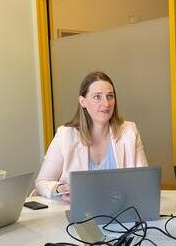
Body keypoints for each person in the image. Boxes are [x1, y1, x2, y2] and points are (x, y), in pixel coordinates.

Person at [35, 71, 148, 200]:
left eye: (110, 96)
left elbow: (144, 183)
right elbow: (42, 182)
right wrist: (60, 188)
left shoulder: (129, 131)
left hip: (122, 211)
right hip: (79, 215)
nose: (106, 104)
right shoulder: (65, 135)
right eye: (97, 97)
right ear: (82, 102)